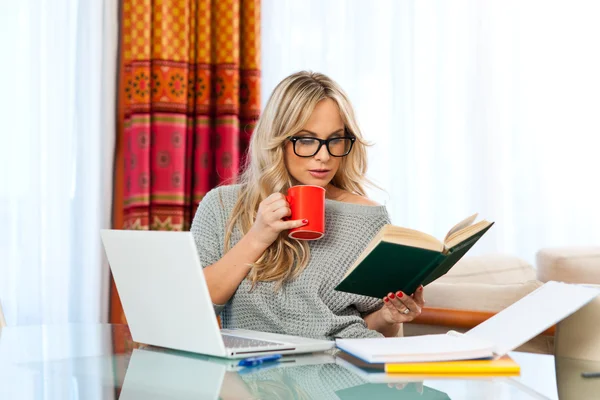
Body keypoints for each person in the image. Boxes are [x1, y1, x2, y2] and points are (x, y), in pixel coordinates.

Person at [191, 71, 424, 339]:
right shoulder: (223, 206)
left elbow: (375, 334)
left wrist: (388, 318)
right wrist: (257, 237)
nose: (324, 156)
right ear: (277, 139)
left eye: (335, 139)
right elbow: (198, 306)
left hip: (340, 369)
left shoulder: (368, 218)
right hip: (254, 370)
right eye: (306, 140)